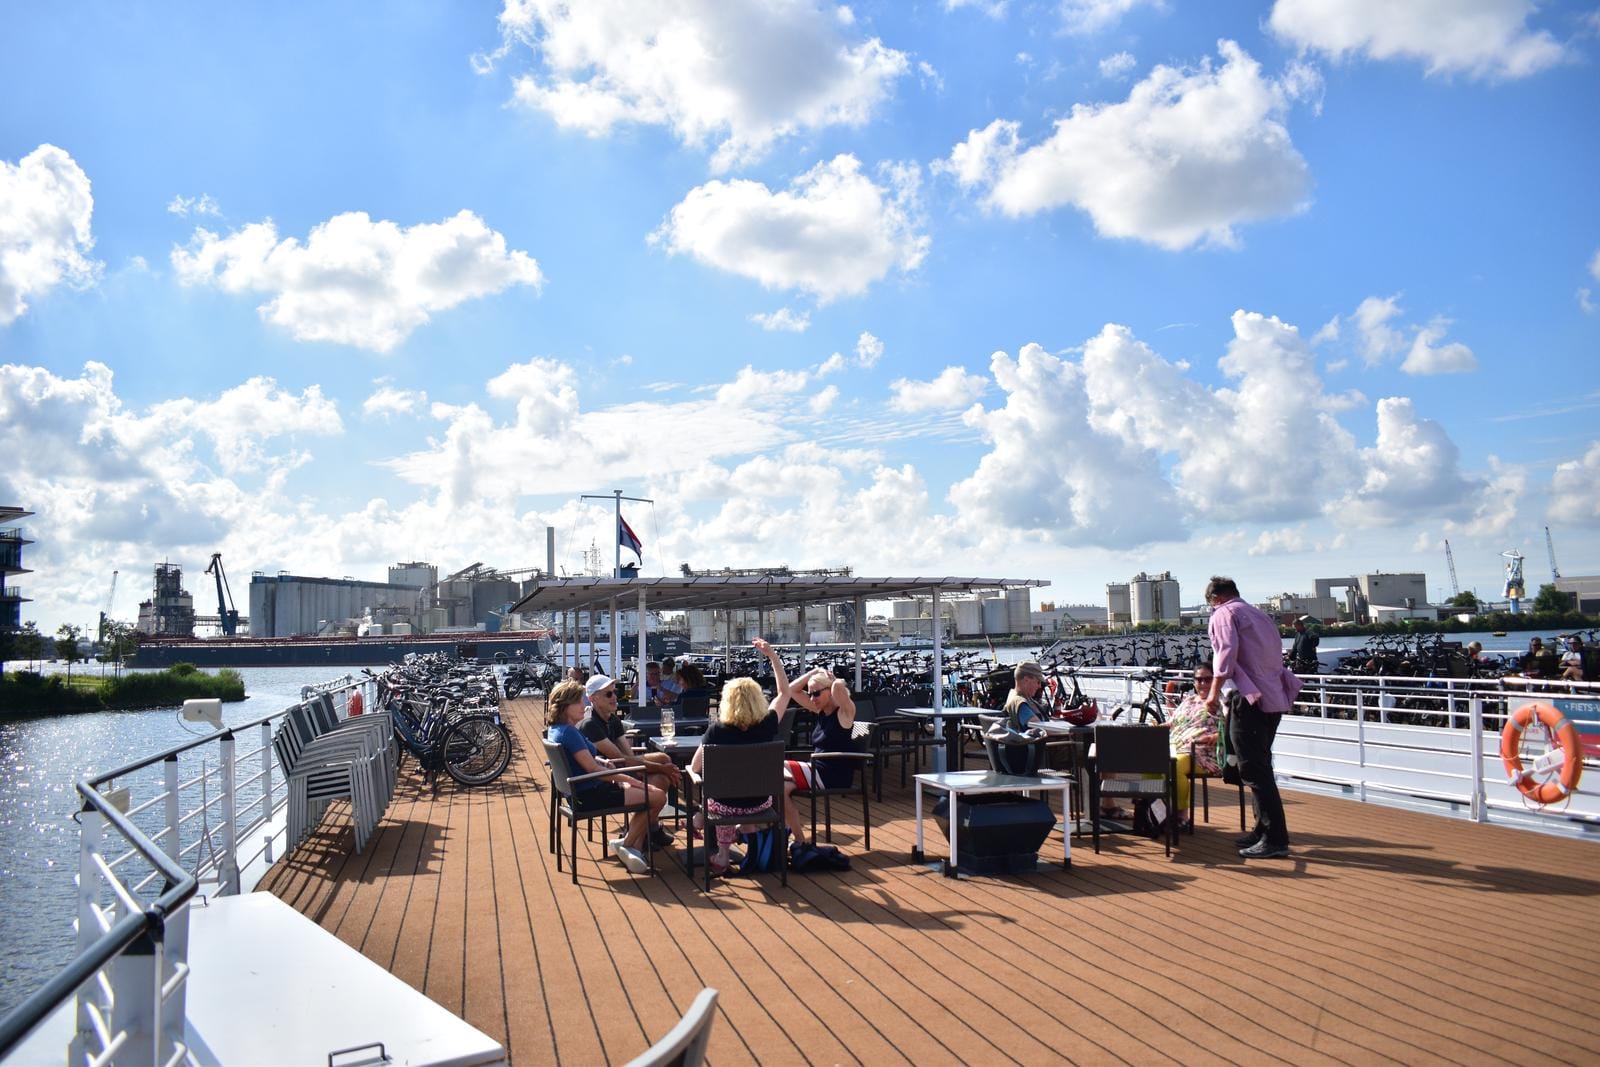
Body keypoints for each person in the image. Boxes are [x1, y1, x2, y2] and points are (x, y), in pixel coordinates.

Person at [1203, 576, 1303, 860]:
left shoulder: (1224, 614)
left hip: (1249, 699)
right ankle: (1262, 830)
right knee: (1261, 764)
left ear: (1215, 599)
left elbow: (1225, 656)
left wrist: (1212, 695)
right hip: (1273, 697)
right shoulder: (1258, 614)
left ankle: (1275, 838)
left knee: (1253, 769)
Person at [545, 680, 662, 874]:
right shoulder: (570, 733)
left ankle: (630, 845)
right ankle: (627, 843)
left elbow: (586, 760)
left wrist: (602, 761)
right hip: (591, 795)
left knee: (651, 791)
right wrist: (631, 780)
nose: (584, 705)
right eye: (579, 702)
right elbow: (593, 770)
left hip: (579, 793)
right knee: (657, 796)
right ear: (566, 706)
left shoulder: (557, 730)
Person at [689, 673, 781, 876]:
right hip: (761, 803)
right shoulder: (768, 724)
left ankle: (722, 854)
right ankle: (751, 846)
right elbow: (784, 693)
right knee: (734, 796)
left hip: (727, 805)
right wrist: (772, 656)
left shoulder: (717, 731)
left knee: (718, 800)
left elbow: (695, 768)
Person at [578, 674, 681, 849]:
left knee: (664, 760)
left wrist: (654, 767)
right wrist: (659, 769)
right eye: (608, 694)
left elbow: (628, 755)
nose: (615, 697)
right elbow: (621, 760)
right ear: (593, 699)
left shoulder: (613, 720)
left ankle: (646, 830)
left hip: (618, 769)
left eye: (615, 692)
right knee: (661, 778)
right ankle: (643, 833)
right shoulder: (590, 724)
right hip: (606, 778)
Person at [776, 643, 859, 848]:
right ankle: (797, 838)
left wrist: (831, 680)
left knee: (774, 766)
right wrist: (813, 671)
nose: (812, 698)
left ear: (829, 692)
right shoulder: (820, 711)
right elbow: (789, 691)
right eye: (811, 694)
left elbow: (840, 688)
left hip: (832, 773)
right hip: (817, 770)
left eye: (816, 693)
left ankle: (792, 836)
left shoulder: (844, 714)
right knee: (779, 787)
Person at [1168, 666, 1222, 826]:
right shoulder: (1189, 701)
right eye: (1199, 679)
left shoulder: (1222, 702)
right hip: (1178, 747)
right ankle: (1157, 811)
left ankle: (1180, 815)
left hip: (1205, 754)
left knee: (1174, 765)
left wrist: (1218, 736)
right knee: (1152, 762)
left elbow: (1236, 728)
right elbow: (1172, 723)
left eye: (1208, 679)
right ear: (1194, 682)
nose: (1203, 683)